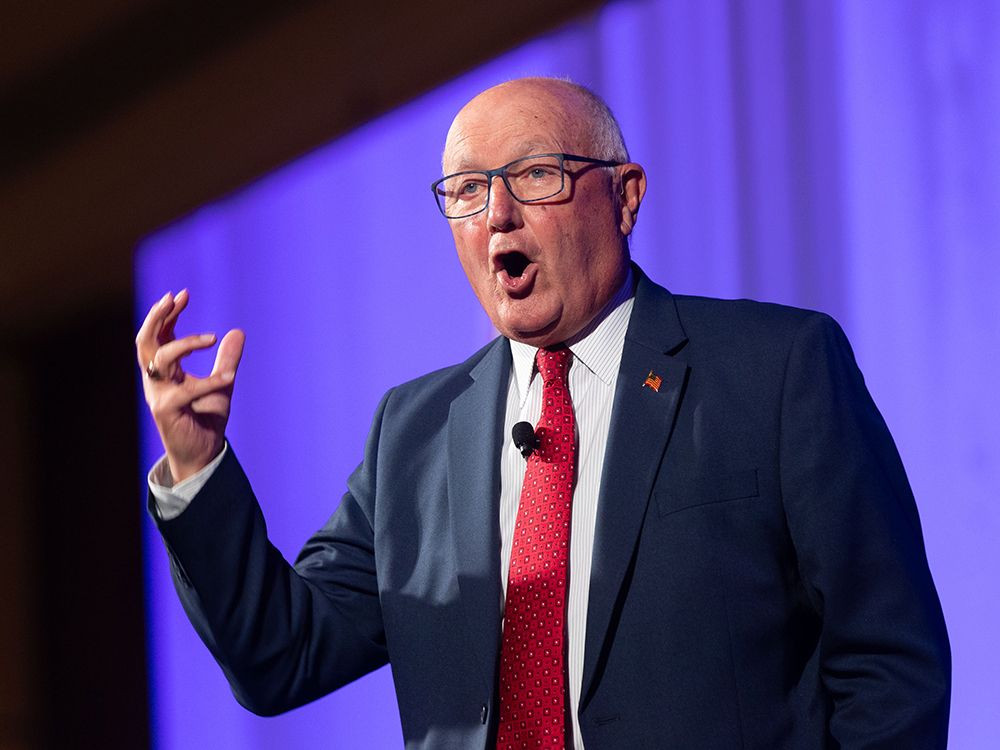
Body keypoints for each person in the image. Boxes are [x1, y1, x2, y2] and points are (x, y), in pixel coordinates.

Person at [136, 78, 950, 749]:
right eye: (466, 191)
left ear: (625, 196)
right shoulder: (413, 433)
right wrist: (195, 467)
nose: (497, 216)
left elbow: (888, 665)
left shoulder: (775, 369)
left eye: (535, 176)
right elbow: (282, 653)